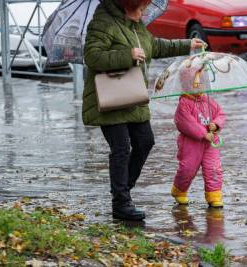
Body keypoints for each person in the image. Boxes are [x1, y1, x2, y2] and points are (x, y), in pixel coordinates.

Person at [82, 0, 206, 221]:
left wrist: (187, 45)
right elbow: (92, 56)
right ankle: (120, 203)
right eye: (141, 7)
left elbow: (154, 46)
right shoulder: (103, 21)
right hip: (110, 97)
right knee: (121, 149)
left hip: (133, 95)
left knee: (145, 141)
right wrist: (127, 55)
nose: (144, 12)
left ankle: (123, 191)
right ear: (127, 4)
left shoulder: (135, 25)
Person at [171, 64, 226, 208]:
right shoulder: (184, 103)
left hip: (210, 144)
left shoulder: (208, 101)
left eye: (201, 82)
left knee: (213, 168)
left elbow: (220, 114)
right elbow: (185, 122)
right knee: (187, 169)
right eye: (195, 83)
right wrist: (203, 134)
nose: (199, 86)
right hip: (191, 143)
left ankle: (214, 195)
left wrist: (216, 124)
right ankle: (179, 190)